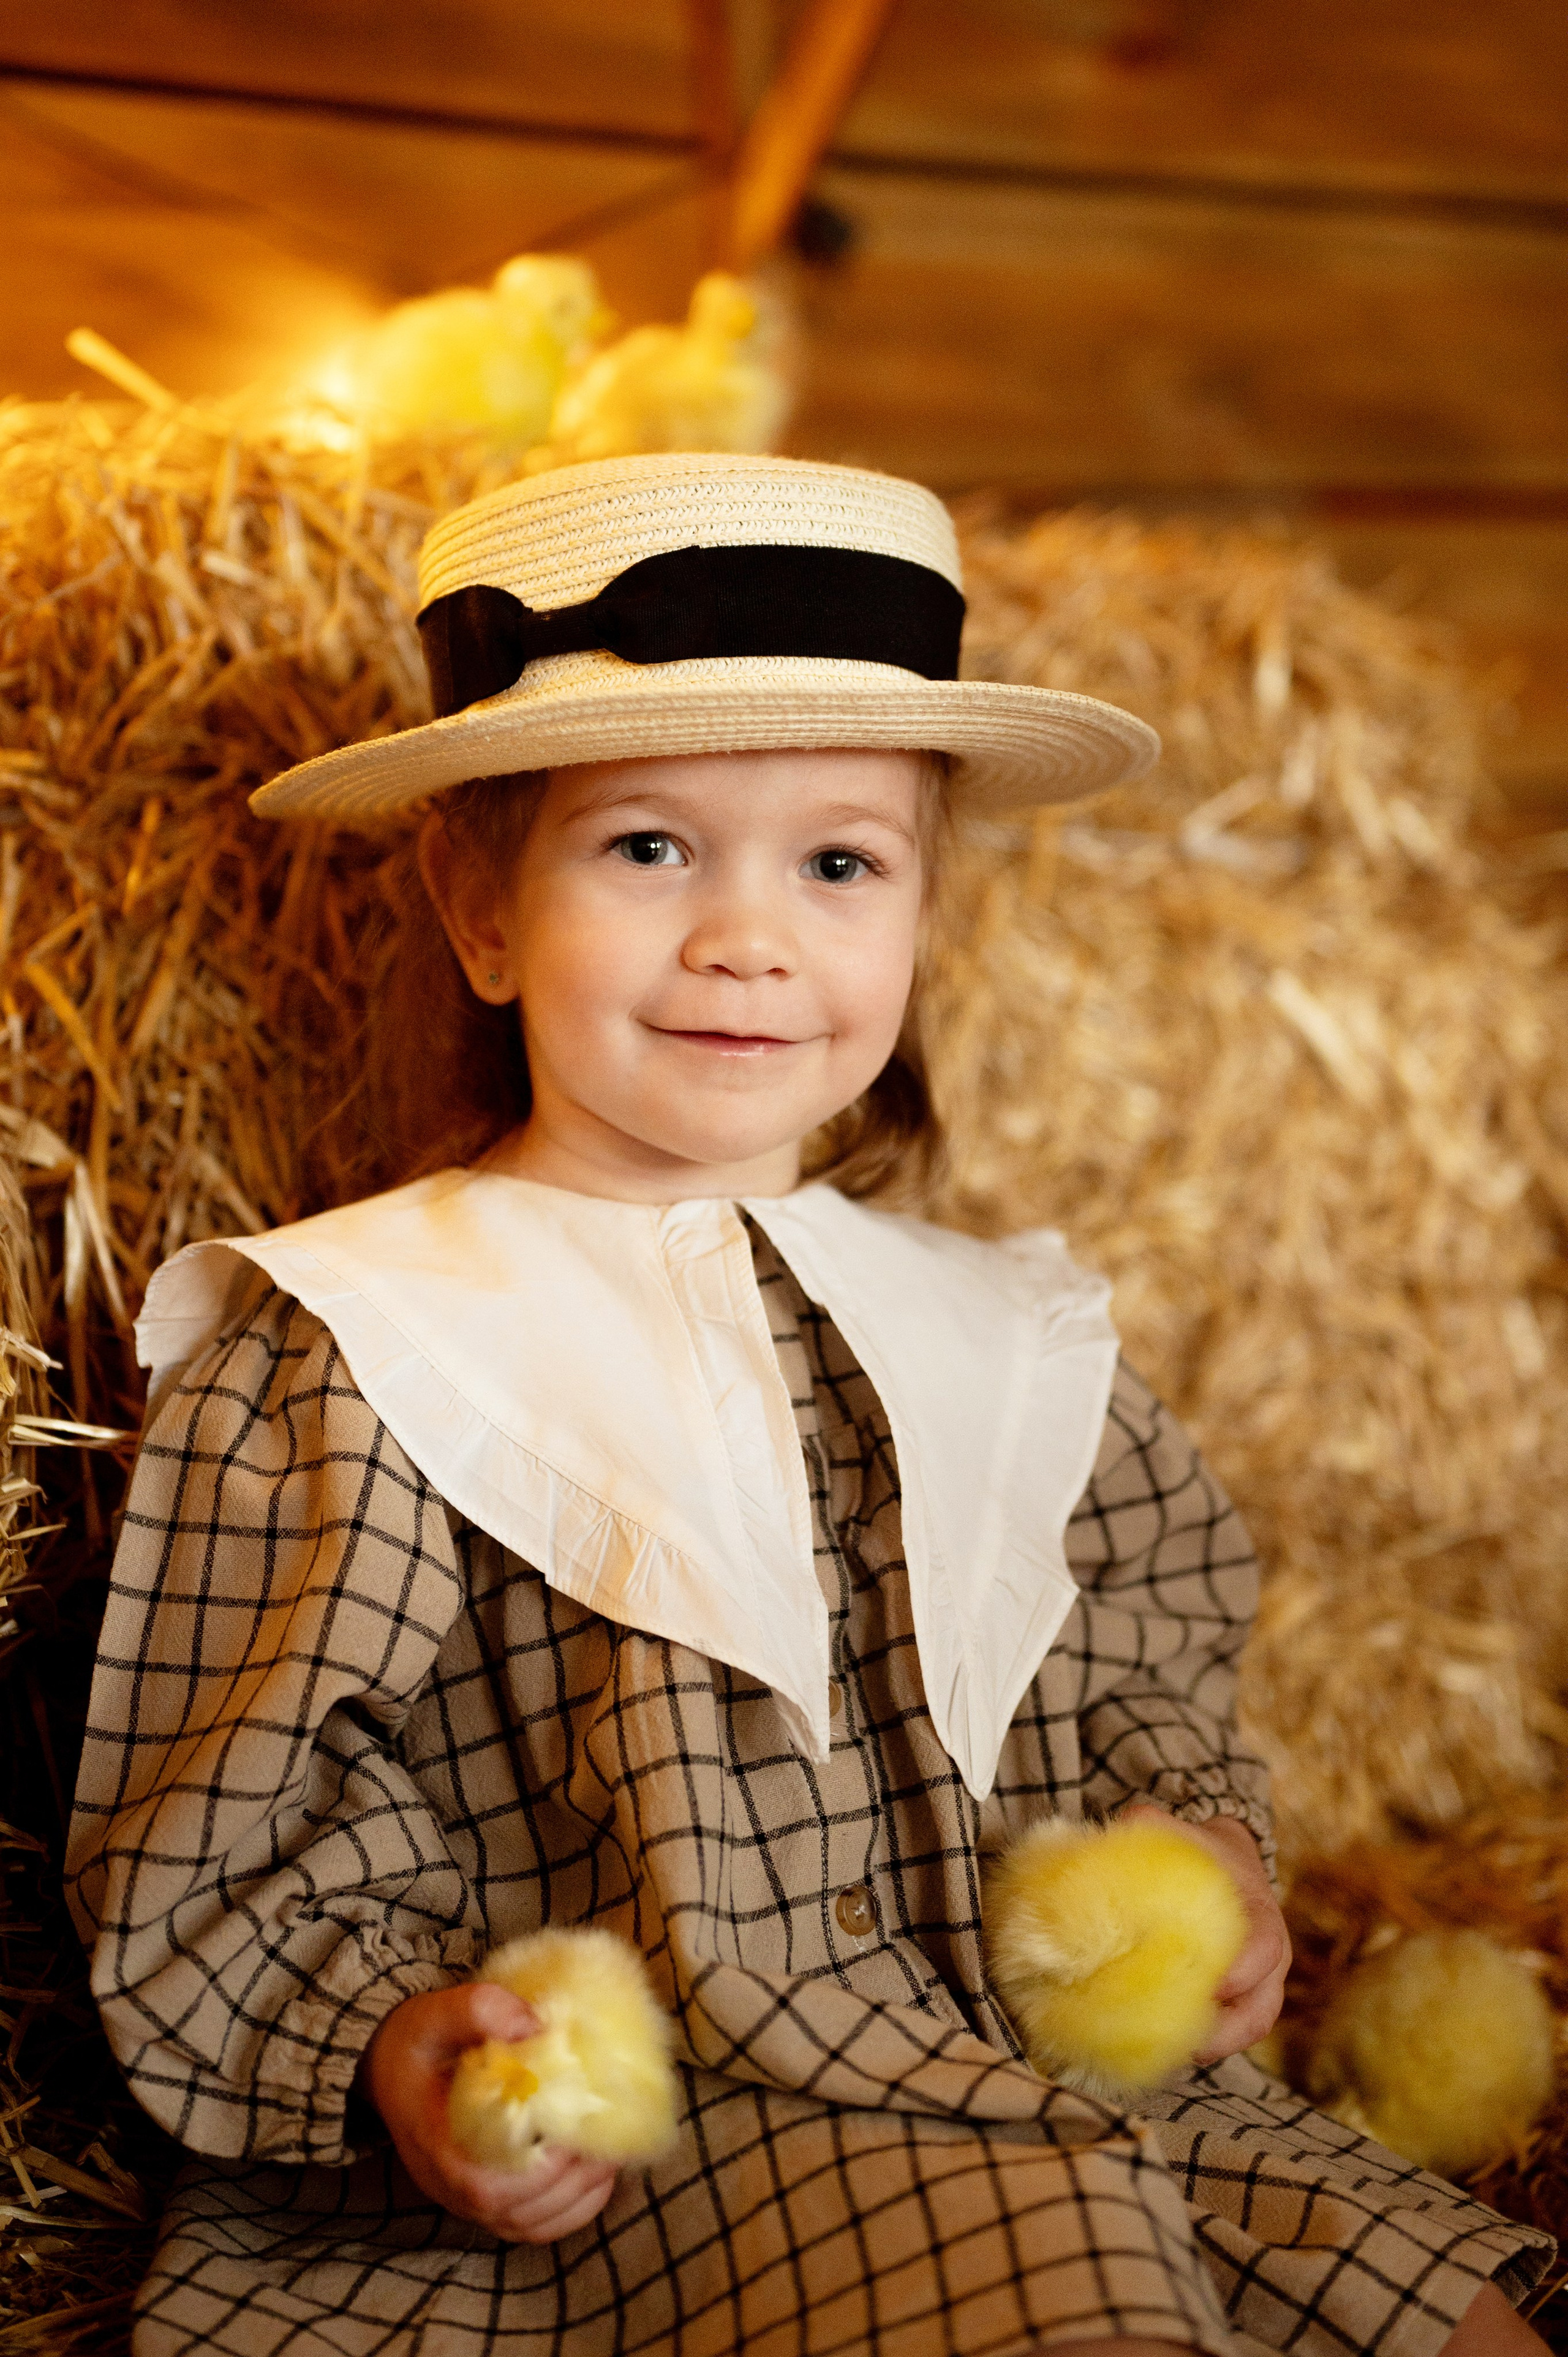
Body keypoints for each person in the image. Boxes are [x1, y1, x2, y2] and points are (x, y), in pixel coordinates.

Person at [66, 455, 1551, 2357]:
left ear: (924, 908)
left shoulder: (999, 1330)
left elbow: (1142, 1672)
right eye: (650, 849)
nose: (748, 939)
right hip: (673, 2148)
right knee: (1060, 2289)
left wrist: (1205, 1864)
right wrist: (402, 2045)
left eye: (838, 863)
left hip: (1084, 2085)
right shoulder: (356, 1344)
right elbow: (227, 1828)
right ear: (479, 905)